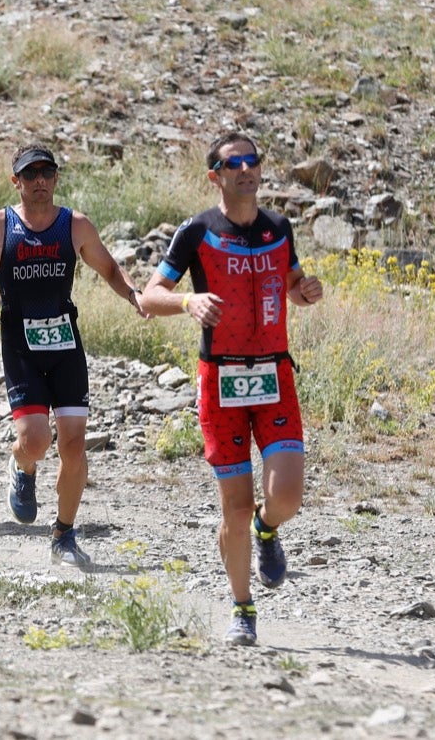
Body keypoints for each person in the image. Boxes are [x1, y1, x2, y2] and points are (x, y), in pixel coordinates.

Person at [138, 132, 325, 647]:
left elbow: (292, 284)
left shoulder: (279, 227)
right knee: (235, 510)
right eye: (233, 163)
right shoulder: (197, 231)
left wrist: (306, 291)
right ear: (215, 175)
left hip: (273, 375)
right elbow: (149, 296)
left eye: (253, 161)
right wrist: (187, 303)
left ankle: (270, 532)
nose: (246, 169)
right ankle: (243, 609)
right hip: (219, 378)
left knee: (285, 496)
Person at [0, 145, 146, 566]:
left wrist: (133, 294)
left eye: (47, 172)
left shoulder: (74, 225)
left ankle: (63, 534)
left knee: (75, 445)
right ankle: (22, 466)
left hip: (66, 343)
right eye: (30, 174)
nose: (39, 180)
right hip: (20, 345)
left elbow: (110, 269)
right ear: (17, 182)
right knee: (36, 440)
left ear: (56, 178)